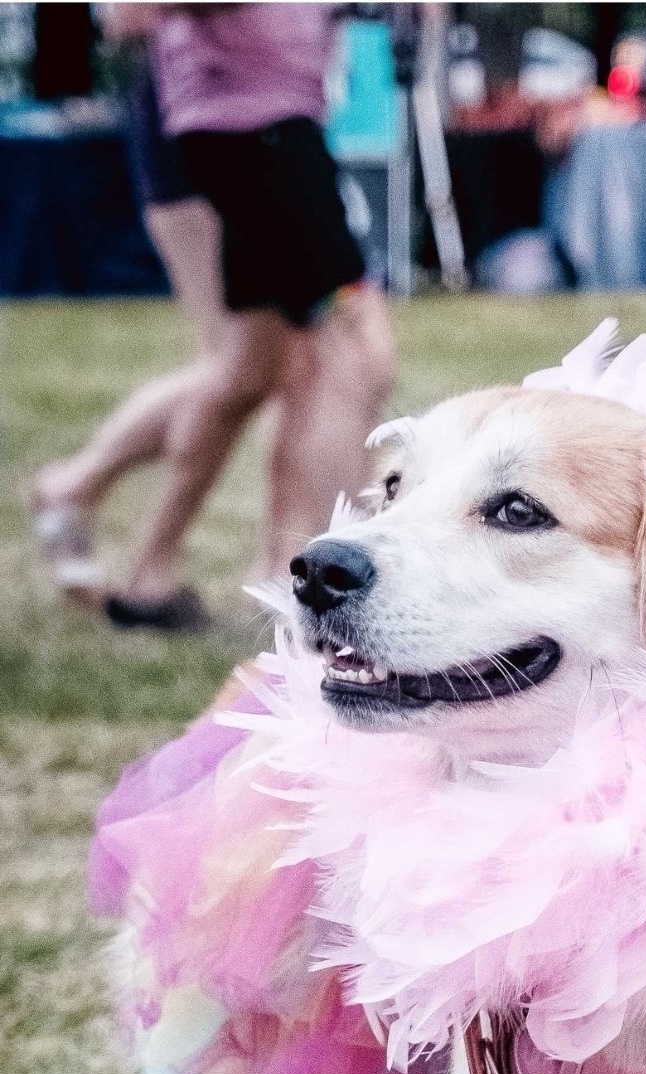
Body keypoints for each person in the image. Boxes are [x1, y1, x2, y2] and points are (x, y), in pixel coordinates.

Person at [42, 3, 395, 632]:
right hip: (253, 131)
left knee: (257, 366)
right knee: (349, 354)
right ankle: (316, 586)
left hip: (258, 127)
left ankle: (157, 570)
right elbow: (129, 13)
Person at [29, 8, 227, 613]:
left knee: (254, 364)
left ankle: (84, 493)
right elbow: (127, 14)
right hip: (197, 126)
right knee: (236, 364)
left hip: (240, 121)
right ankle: (87, 497)